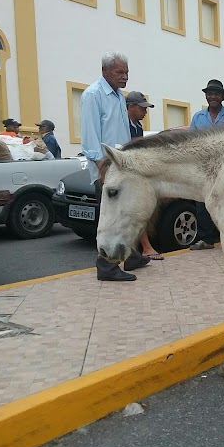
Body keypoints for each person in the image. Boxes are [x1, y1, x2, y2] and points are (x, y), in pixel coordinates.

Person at [81, 52, 150, 281]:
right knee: (110, 219)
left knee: (126, 212)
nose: (125, 77)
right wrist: (102, 168)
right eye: (120, 72)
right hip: (106, 170)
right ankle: (107, 267)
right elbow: (91, 139)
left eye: (127, 72)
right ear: (105, 71)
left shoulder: (119, 96)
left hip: (120, 168)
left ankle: (130, 256)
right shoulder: (93, 95)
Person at [189, 79, 224, 250]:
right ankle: (205, 238)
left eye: (216, 94)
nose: (213, 96)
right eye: (210, 93)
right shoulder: (198, 117)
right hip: (204, 168)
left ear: (222, 97)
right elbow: (191, 141)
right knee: (202, 202)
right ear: (206, 96)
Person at [125, 91, 164, 261]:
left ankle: (137, 251)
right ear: (131, 107)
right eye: (142, 108)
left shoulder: (138, 127)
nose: (145, 112)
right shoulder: (122, 125)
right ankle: (146, 248)